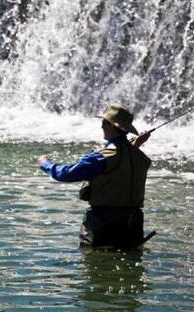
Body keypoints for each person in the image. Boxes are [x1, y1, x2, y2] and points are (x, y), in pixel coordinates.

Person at [38, 103, 152, 249]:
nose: (101, 126)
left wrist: (45, 164)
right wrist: (133, 147)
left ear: (111, 125)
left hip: (103, 226)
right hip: (133, 228)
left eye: (103, 122)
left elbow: (66, 174)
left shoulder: (101, 157)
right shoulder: (141, 158)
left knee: (95, 270)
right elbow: (122, 166)